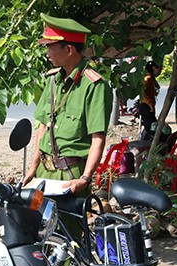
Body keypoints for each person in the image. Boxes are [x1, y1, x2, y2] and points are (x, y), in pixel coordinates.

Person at [22, 13, 113, 196]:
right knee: (39, 222)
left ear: (69, 49)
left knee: (68, 224)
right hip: (44, 171)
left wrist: (85, 179)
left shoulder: (94, 86)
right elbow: (42, 126)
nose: (47, 54)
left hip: (70, 175)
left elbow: (98, 138)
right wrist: (33, 167)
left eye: (50, 48)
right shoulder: (53, 80)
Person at [139, 60, 161, 141]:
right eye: (158, 69)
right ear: (154, 68)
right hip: (146, 107)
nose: (159, 72)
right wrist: (150, 104)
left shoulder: (151, 79)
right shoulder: (147, 78)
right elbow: (142, 93)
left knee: (151, 128)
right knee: (152, 129)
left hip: (148, 106)